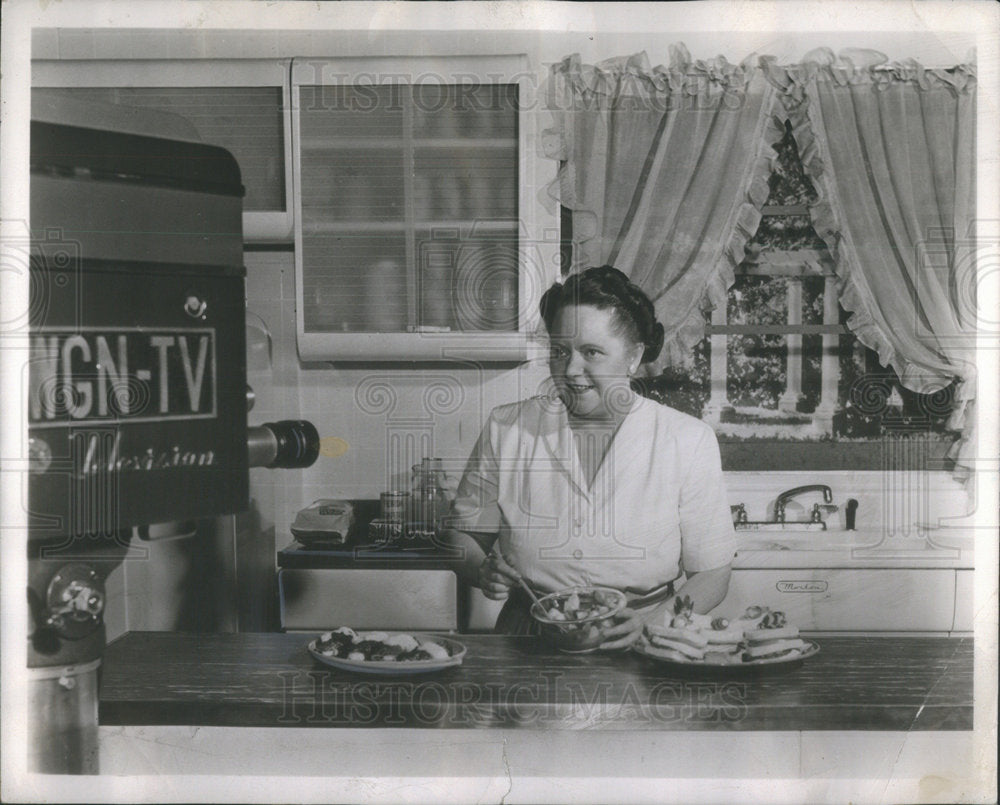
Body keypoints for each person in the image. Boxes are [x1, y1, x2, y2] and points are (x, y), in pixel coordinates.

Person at [442, 266, 736, 647]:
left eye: (591, 352)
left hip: (641, 636)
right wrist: (481, 570)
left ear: (633, 357)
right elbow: (460, 536)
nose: (570, 370)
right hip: (528, 639)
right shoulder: (508, 427)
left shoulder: (686, 439)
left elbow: (713, 574)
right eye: (560, 351)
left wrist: (652, 621)